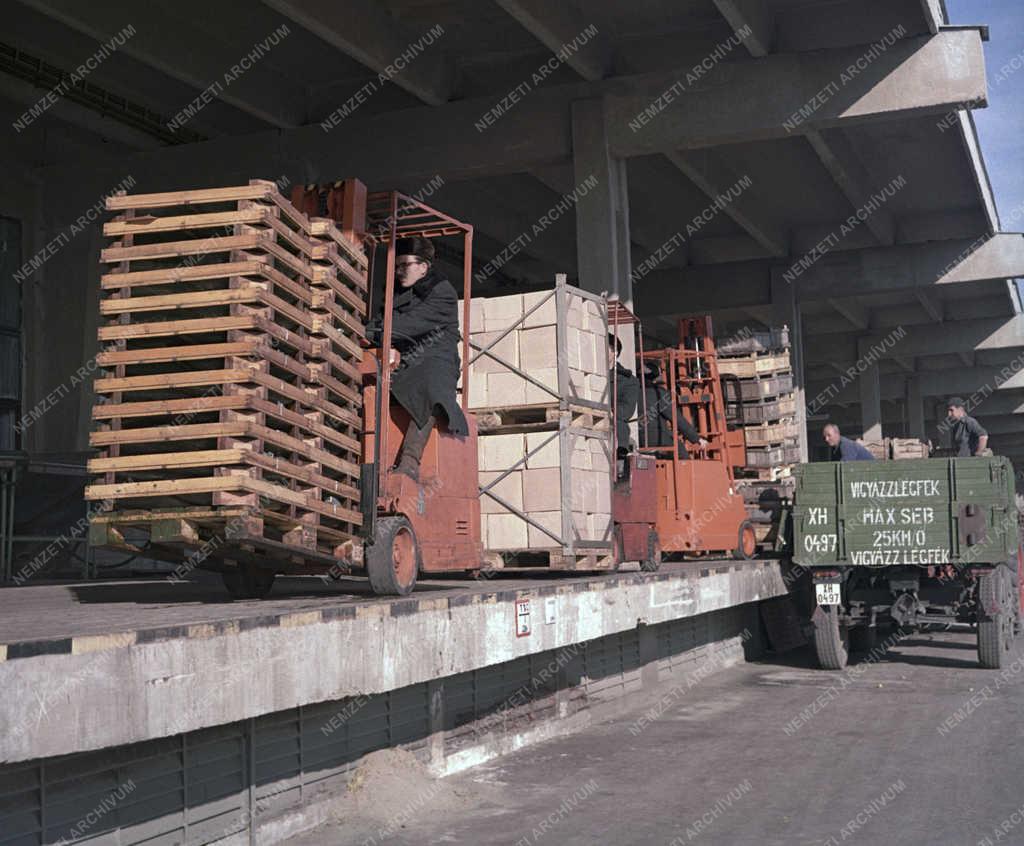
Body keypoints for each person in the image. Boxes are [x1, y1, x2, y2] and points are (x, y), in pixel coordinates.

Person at [365, 236, 467, 482]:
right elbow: (380, 324)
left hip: (437, 358)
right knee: (368, 380)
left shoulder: (442, 291)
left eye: (405, 265)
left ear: (423, 266)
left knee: (430, 388)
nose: (400, 271)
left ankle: (410, 462)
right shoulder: (396, 292)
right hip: (406, 358)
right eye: (397, 266)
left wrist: (366, 332)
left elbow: (404, 326)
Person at [641, 360, 708, 459]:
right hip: (656, 439)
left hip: (638, 438)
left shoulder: (631, 391)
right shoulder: (659, 394)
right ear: (655, 378)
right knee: (680, 452)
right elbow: (677, 419)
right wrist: (696, 439)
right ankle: (685, 473)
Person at [607, 334, 639, 461]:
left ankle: (620, 455)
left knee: (620, 424)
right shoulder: (588, 375)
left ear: (615, 352)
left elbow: (626, 410)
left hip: (613, 422)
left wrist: (608, 411)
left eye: (604, 348)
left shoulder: (628, 380)